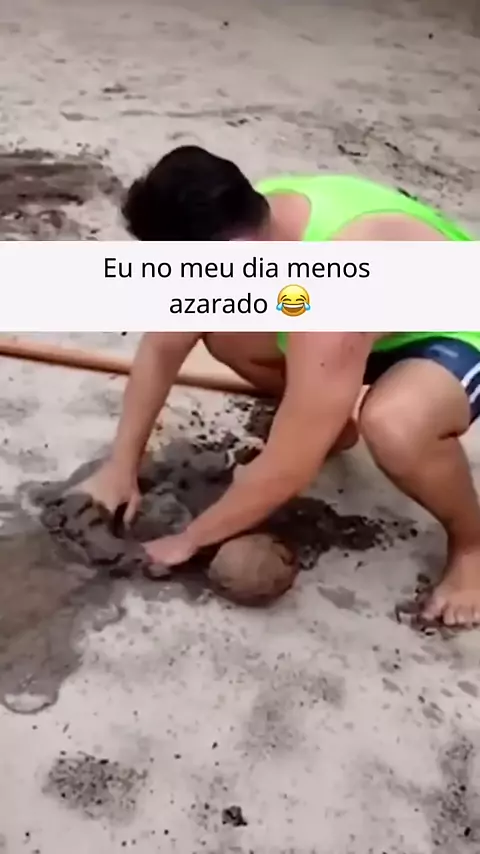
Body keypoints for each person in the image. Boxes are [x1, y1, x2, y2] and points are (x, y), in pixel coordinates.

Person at [80, 145, 479, 627]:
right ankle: (329, 422)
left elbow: (291, 465)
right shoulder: (240, 221)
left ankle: (471, 547)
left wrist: (190, 539)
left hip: (456, 325)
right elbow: (163, 346)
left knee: (395, 424)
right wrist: (120, 466)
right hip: (369, 328)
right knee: (224, 331)